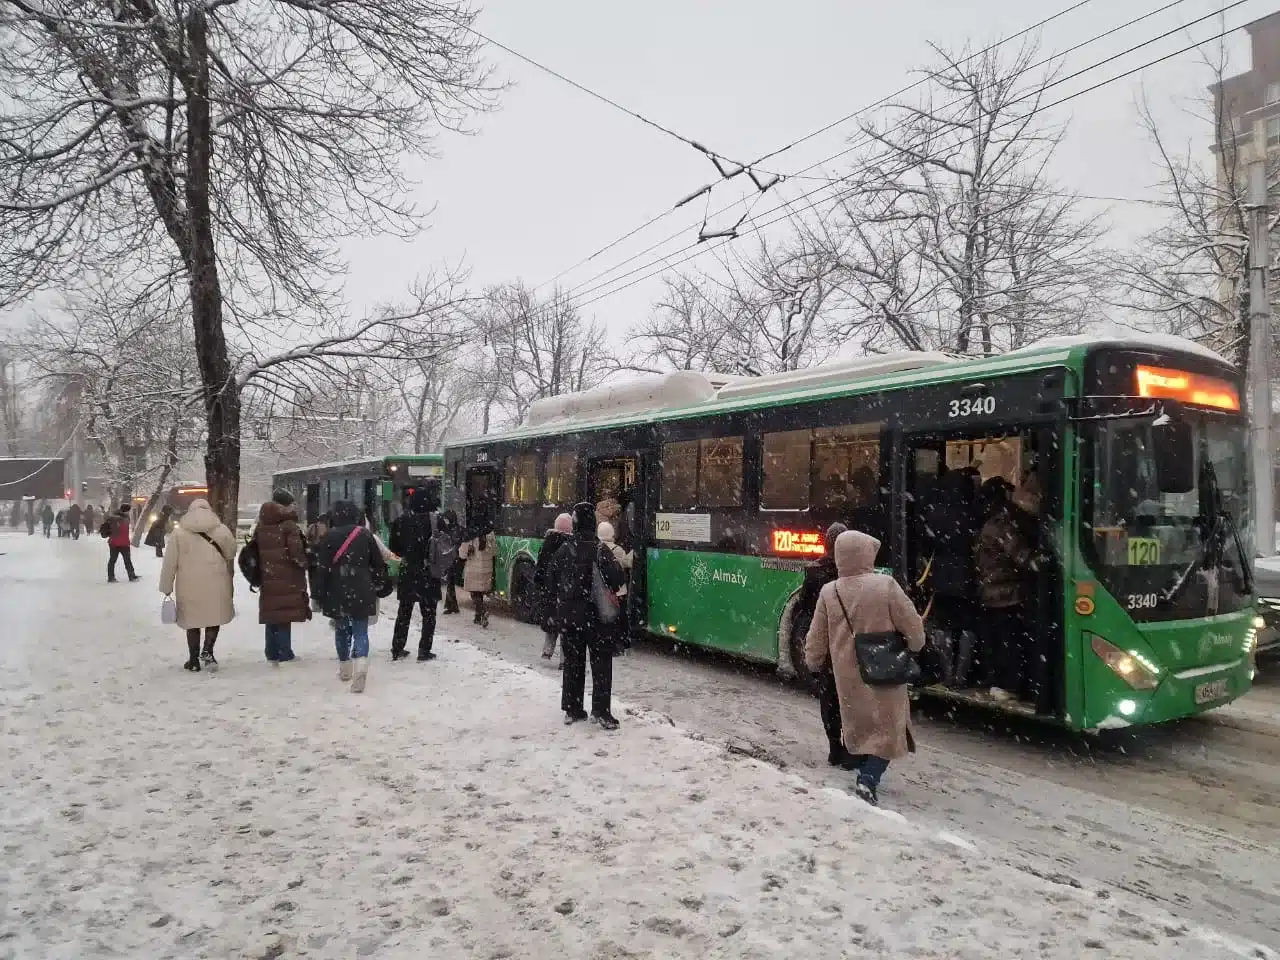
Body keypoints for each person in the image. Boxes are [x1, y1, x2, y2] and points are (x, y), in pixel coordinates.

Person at [805, 529, 926, 806]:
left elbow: (816, 638)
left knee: (861, 725)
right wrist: (915, 645)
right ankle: (869, 778)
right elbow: (913, 627)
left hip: (847, 675)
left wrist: (813, 663)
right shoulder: (886, 586)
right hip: (885, 668)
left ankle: (862, 767)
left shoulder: (830, 592)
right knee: (889, 727)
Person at [549, 502, 626, 729]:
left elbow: (550, 578)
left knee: (573, 662)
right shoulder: (601, 550)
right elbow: (617, 579)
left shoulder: (565, 549)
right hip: (597, 618)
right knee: (601, 664)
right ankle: (601, 711)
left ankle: (573, 709)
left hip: (571, 617)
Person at [312, 500, 387, 693]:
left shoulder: (329, 536)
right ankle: (360, 665)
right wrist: (379, 583)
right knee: (361, 631)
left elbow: (322, 569)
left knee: (341, 630)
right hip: (362, 588)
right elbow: (378, 564)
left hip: (337, 589)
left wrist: (318, 594)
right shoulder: (365, 534)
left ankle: (345, 668)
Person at [794, 522, 851, 768]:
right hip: (847, 645)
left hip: (827, 646)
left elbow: (805, 608)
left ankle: (834, 747)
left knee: (829, 698)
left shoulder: (814, 573)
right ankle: (850, 749)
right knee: (849, 698)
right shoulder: (851, 574)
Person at [159, 498, 237, 672]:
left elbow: (170, 562)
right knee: (213, 617)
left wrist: (166, 586)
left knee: (192, 621)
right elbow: (231, 552)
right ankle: (208, 651)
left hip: (189, 584)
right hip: (216, 582)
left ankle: (193, 659)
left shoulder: (179, 533)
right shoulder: (221, 529)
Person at [921, 467, 982, 688]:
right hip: (967, 575)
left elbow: (927, 544)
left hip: (940, 576)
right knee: (967, 625)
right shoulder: (973, 512)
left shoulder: (935, 512)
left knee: (942, 625)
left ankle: (946, 673)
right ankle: (962, 675)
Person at [975, 477, 1035, 703]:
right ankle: (1008, 685)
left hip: (991, 592)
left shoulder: (988, 521)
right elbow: (1022, 556)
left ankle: (998, 682)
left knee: (999, 640)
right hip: (1007, 594)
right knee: (1010, 642)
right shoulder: (1002, 525)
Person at [388, 488, 447, 662]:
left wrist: (408, 552)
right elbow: (445, 546)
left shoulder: (401, 521)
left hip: (408, 571)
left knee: (404, 612)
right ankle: (424, 650)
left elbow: (395, 549)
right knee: (429, 615)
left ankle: (397, 647)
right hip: (429, 572)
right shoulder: (436, 521)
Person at [255, 490, 311, 664]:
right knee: (284, 615)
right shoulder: (289, 526)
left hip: (268, 574)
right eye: (292, 504)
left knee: (272, 613)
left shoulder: (262, 524)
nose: (294, 507)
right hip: (288, 576)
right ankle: (285, 652)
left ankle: (271, 651)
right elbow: (296, 554)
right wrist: (305, 562)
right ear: (285, 506)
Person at [535, 513, 574, 659]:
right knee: (565, 627)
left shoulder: (548, 543)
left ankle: (547, 651)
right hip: (566, 591)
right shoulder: (572, 546)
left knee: (551, 622)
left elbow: (540, 567)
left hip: (550, 589)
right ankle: (564, 659)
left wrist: (541, 586)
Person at [597, 521, 633, 654]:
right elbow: (627, 563)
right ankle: (621, 643)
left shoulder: (597, 548)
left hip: (604, 590)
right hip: (618, 590)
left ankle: (607, 641)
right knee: (620, 616)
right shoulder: (617, 549)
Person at [457, 525, 494, 628]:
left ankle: (482, 611)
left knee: (474, 593)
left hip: (474, 568)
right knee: (480, 592)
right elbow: (494, 551)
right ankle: (477, 617)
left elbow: (462, 554)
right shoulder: (490, 534)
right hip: (487, 568)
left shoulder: (470, 534)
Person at [103, 503, 140, 583]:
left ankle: (112, 577)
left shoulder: (118, 517)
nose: (128, 512)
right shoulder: (118, 518)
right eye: (128, 510)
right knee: (124, 560)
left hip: (117, 542)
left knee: (114, 560)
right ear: (125, 510)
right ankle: (131, 576)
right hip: (119, 543)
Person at [438, 510, 463, 615]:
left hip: (453, 558)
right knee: (450, 583)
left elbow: (454, 543)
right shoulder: (455, 528)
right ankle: (452, 605)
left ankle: (451, 605)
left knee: (450, 582)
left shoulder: (453, 530)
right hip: (453, 558)